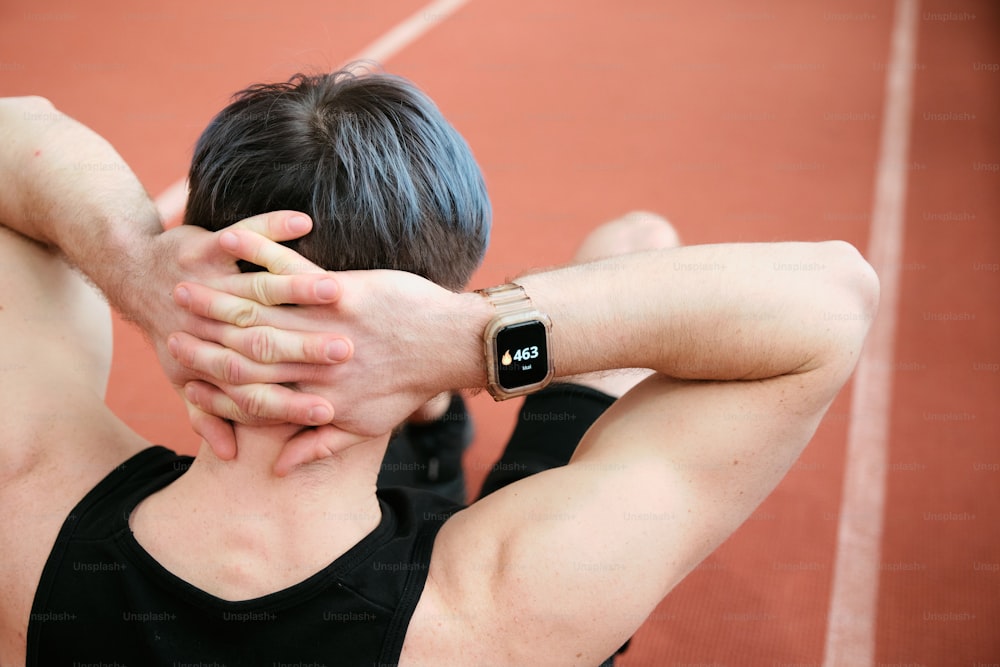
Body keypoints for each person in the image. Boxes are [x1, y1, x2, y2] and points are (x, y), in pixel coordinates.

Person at [0, 70, 879, 667]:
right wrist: (467, 341)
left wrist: (139, 270)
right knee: (636, 244)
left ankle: (422, 432)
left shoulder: (27, 494)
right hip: (449, 546)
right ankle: (425, 421)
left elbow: (17, 127)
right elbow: (830, 300)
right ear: (437, 290)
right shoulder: (507, 604)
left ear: (206, 252)